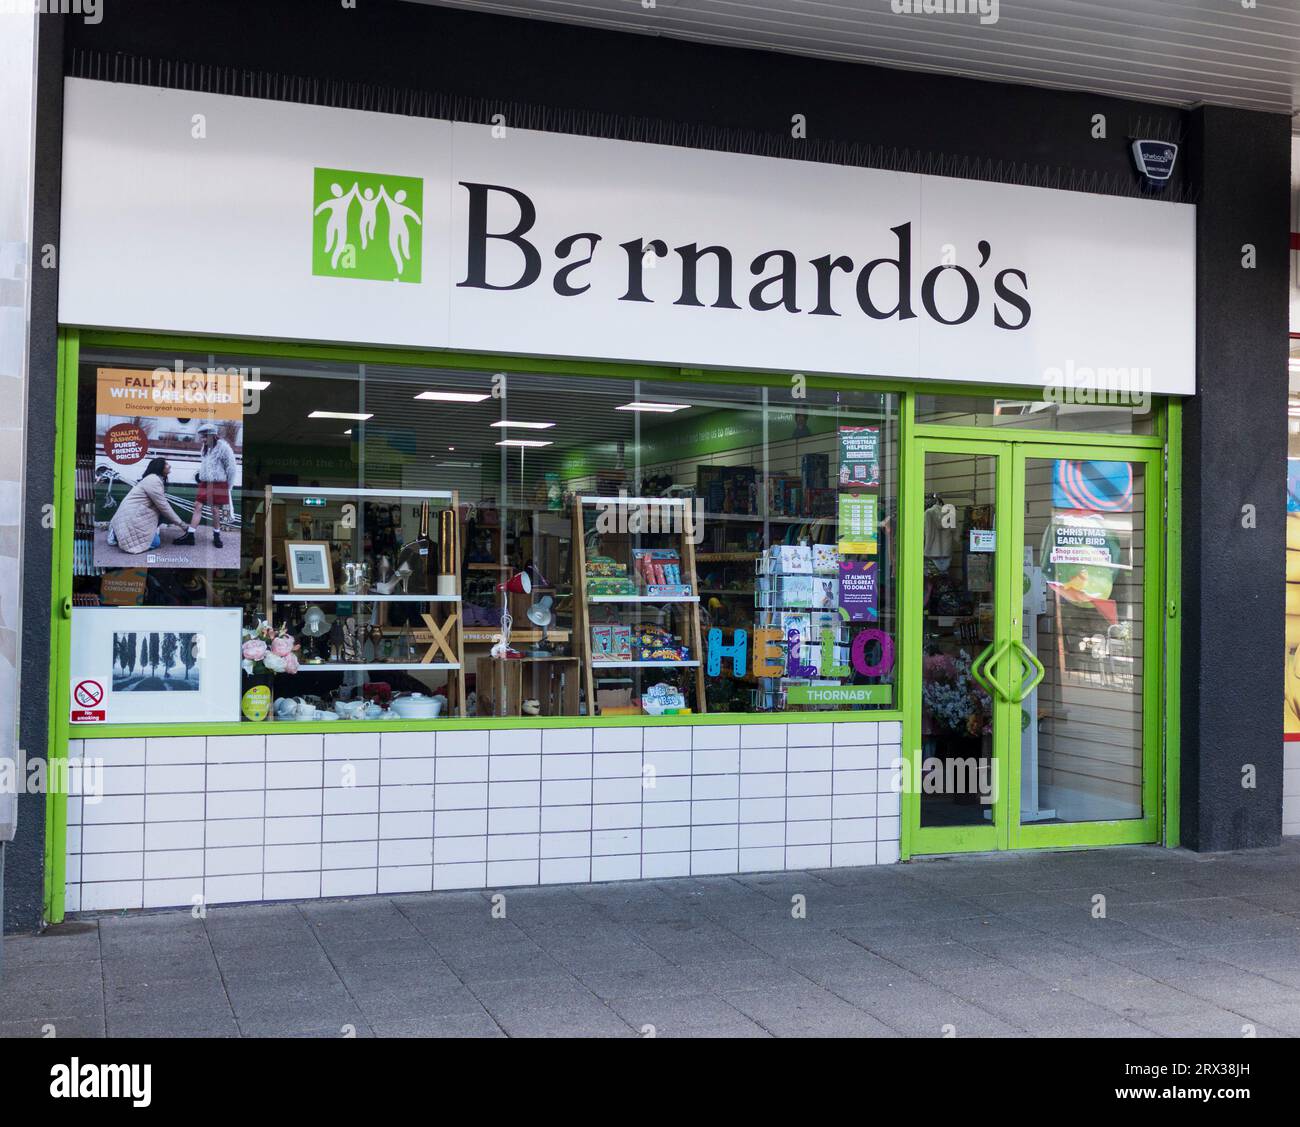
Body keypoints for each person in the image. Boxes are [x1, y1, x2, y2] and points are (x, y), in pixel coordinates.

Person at [106, 458, 188, 554]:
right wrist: (183, 525)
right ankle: (115, 533)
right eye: (166, 464)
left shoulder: (153, 479)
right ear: (159, 467)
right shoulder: (153, 480)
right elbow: (164, 506)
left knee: (162, 514)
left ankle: (121, 532)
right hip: (133, 516)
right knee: (155, 543)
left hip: (135, 514)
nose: (169, 466)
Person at [176, 423, 237, 549]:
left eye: (204, 437)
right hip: (205, 483)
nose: (202, 440)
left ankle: (216, 536)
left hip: (219, 483)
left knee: (215, 510)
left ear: (212, 435)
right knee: (197, 505)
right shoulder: (205, 448)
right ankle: (190, 535)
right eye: (201, 437)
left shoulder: (224, 448)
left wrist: (228, 487)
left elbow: (231, 468)